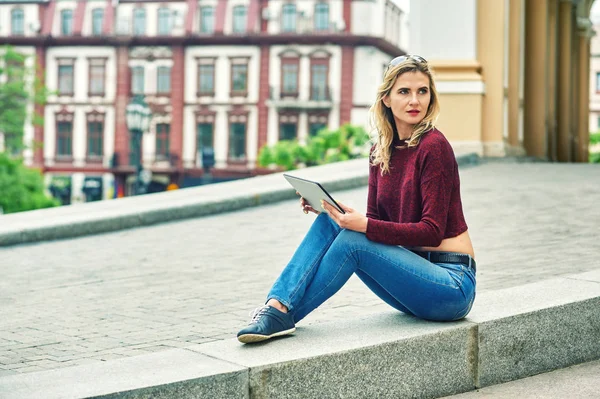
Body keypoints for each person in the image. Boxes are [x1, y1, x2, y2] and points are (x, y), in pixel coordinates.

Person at [237, 55, 476, 344]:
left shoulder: (433, 146)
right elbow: (378, 224)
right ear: (386, 99)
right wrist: (340, 215)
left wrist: (362, 226)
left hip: (451, 284)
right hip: (414, 278)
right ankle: (275, 306)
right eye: (404, 92)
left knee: (354, 241)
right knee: (330, 222)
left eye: (422, 91)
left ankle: (281, 316)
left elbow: (432, 231)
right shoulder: (380, 151)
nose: (415, 100)